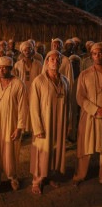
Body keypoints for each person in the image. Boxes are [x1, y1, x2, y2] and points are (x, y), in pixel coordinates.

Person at [0, 56, 28, 193]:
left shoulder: (18, 84)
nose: (2, 70)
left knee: (11, 152)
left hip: (11, 123)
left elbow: (22, 108)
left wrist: (19, 127)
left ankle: (12, 177)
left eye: (5, 68)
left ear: (11, 68)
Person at [30, 50, 70, 195]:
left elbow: (68, 104)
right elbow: (33, 106)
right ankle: (37, 180)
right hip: (44, 124)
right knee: (42, 151)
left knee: (54, 150)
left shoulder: (65, 81)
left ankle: (48, 176)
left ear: (60, 62)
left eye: (57, 59)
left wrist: (68, 123)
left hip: (59, 123)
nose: (55, 61)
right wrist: (38, 128)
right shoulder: (38, 81)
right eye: (51, 59)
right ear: (46, 62)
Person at [73, 42, 102, 186]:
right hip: (89, 115)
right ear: (91, 56)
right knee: (85, 145)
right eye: (95, 53)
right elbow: (80, 96)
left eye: (100, 53)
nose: (98, 56)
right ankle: (80, 175)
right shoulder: (84, 74)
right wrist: (95, 109)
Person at [13, 41, 42, 134]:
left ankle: (34, 128)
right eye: (25, 50)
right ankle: (22, 129)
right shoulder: (17, 65)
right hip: (22, 90)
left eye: (29, 49)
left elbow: (41, 78)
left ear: (32, 50)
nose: (27, 51)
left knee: (34, 109)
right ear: (22, 51)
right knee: (22, 109)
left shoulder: (38, 64)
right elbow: (15, 78)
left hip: (34, 89)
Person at [68, 55, 81, 142]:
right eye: (72, 63)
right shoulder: (66, 75)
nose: (74, 65)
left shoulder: (82, 76)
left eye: (76, 63)